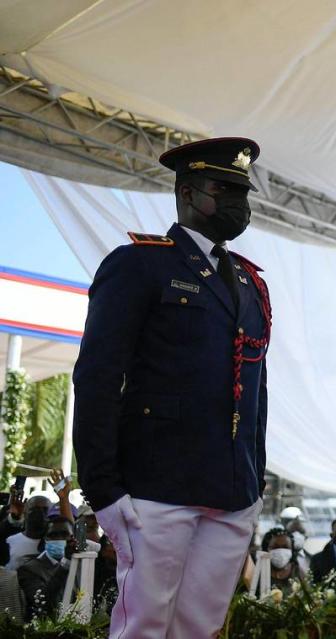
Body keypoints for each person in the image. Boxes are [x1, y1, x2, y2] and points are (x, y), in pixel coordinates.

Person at [73, 137, 272, 638]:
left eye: (242, 193)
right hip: (156, 486)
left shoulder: (249, 283)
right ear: (186, 192)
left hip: (231, 488)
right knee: (143, 626)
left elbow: (255, 388)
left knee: (198, 628)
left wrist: (255, 478)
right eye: (223, 189)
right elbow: (97, 375)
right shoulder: (141, 263)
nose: (236, 204)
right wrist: (102, 484)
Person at [17, 516, 73, 621]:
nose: (59, 539)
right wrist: (66, 563)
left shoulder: (80, 563)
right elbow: (42, 600)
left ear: (73, 537)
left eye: (65, 534)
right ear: (45, 539)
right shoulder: (29, 569)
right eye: (53, 535)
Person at [5, 497, 51, 571]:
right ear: (25, 512)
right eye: (35, 509)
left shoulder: (54, 545)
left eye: (45, 510)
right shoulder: (9, 541)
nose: (40, 514)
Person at [260, 528, 306, 595]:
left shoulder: (297, 572)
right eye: (275, 547)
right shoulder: (259, 571)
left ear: (292, 550)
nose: (280, 551)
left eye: (285, 547)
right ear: (266, 549)